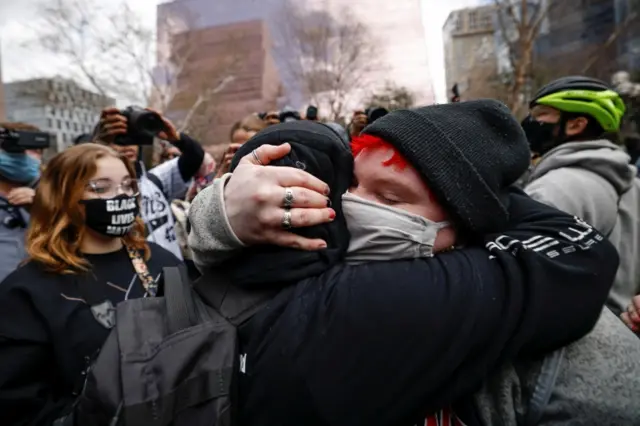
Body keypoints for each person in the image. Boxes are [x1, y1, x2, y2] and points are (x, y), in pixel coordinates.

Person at [188, 102, 618, 425]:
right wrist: (223, 210)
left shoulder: (381, 303)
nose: (354, 204)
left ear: (462, 230)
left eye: (391, 198)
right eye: (352, 183)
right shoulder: (297, 252)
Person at [0, 143, 183, 426]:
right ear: (64, 197)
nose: (121, 195)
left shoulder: (162, 261)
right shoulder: (27, 291)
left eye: (127, 185)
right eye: (100, 187)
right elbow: (19, 404)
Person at [520, 76, 640, 320]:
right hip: (623, 338)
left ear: (576, 125)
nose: (531, 123)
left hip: (571, 345)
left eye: (542, 114)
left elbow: (520, 283)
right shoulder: (633, 184)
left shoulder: (551, 190)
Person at [95, 107, 205, 260]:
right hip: (134, 275)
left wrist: (175, 138)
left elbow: (194, 157)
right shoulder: (95, 191)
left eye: (133, 138)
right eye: (120, 139)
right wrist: (97, 145)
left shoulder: (155, 180)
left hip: (172, 271)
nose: (127, 146)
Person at [0, 122, 42, 282]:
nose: (31, 156)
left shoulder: (55, 195)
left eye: (37, 150)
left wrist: (43, 208)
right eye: (17, 148)